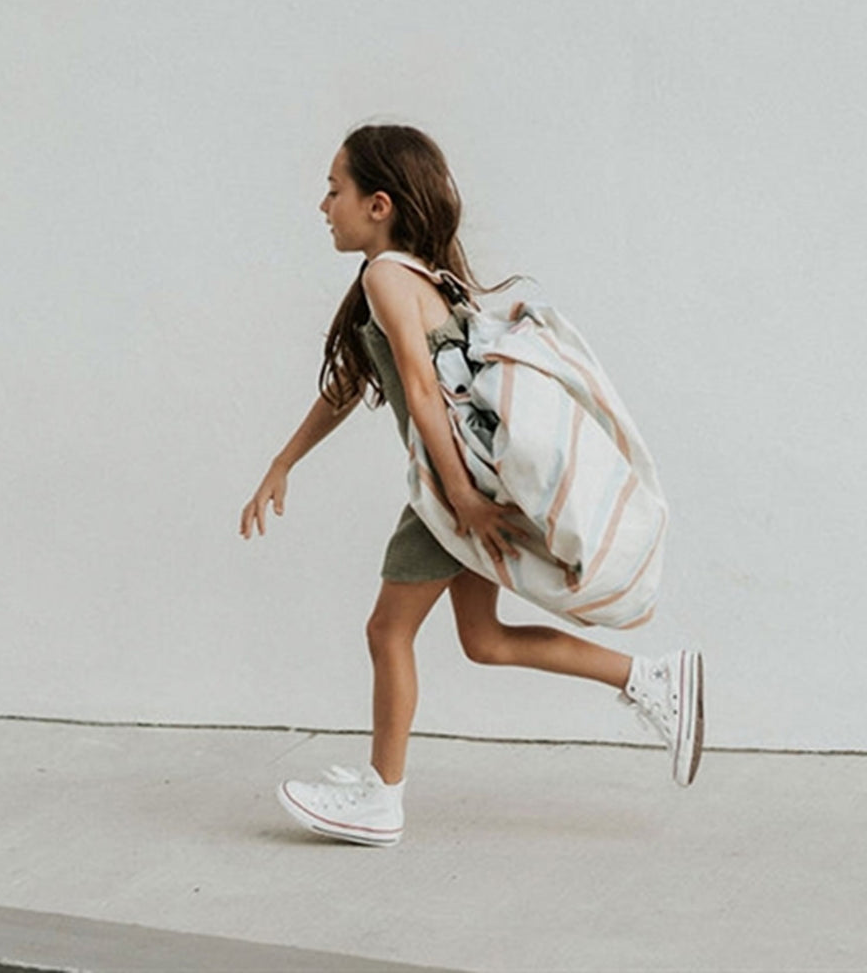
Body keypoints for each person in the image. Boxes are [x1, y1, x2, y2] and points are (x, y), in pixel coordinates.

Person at [239, 124, 703, 847]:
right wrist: (284, 461)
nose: (323, 206)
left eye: (334, 190)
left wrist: (460, 502)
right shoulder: (419, 277)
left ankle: (381, 798)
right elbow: (354, 383)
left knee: (386, 631)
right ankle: (651, 680)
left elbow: (423, 393)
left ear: (378, 205)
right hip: (464, 488)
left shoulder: (386, 277)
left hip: (450, 492)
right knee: (483, 639)